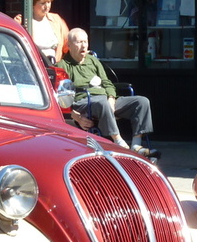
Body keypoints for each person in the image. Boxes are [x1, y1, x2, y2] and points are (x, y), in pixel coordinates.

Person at [60, 27, 160, 159]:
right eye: (78, 42)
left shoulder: (93, 61)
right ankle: (118, 142)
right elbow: (60, 96)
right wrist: (76, 116)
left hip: (105, 100)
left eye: (85, 41)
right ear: (69, 45)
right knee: (102, 103)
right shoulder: (63, 65)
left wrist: (112, 98)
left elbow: (107, 82)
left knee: (141, 102)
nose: (83, 45)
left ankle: (136, 146)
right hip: (85, 101)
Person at [14, 0, 70, 65]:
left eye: (49, 2)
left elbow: (68, 44)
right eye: (43, 3)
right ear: (32, 4)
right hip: (33, 67)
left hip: (55, 66)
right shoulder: (21, 21)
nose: (47, 6)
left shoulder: (56, 20)